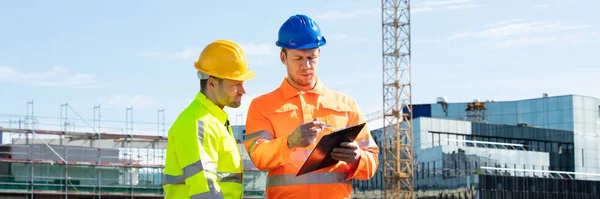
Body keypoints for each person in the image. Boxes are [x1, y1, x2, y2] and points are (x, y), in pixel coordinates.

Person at [243, 14, 379, 199]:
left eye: (311, 57)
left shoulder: (346, 105)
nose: (306, 65)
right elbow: (258, 156)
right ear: (283, 57)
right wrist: (289, 142)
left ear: (319, 54)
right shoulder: (262, 106)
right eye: (298, 58)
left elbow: (371, 162)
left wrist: (358, 158)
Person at [163, 39, 255, 199]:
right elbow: (204, 190)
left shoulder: (214, 122)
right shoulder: (199, 123)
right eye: (235, 84)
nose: (243, 90)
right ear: (212, 83)